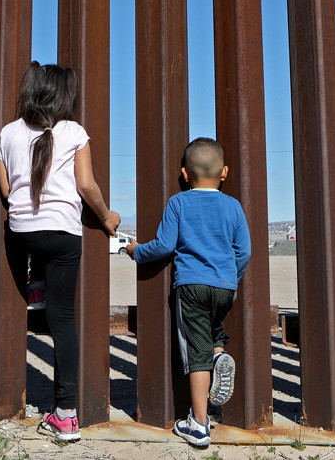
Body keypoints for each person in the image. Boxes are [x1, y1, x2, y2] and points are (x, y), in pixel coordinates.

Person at [0, 62, 120, 441]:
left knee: (23, 235)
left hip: (21, 233)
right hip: (64, 234)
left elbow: (6, 193)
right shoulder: (74, 132)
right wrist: (107, 216)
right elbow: (86, 186)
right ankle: (66, 414)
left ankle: (35, 283)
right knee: (63, 321)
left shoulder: (8, 132)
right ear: (66, 95)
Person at [126, 137, 250, 448]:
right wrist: (229, 278)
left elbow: (165, 246)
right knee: (211, 331)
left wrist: (137, 251)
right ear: (224, 172)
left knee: (196, 352)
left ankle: (198, 423)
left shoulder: (179, 203)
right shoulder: (233, 206)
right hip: (225, 287)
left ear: (184, 173)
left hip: (191, 286)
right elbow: (244, 251)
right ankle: (219, 355)